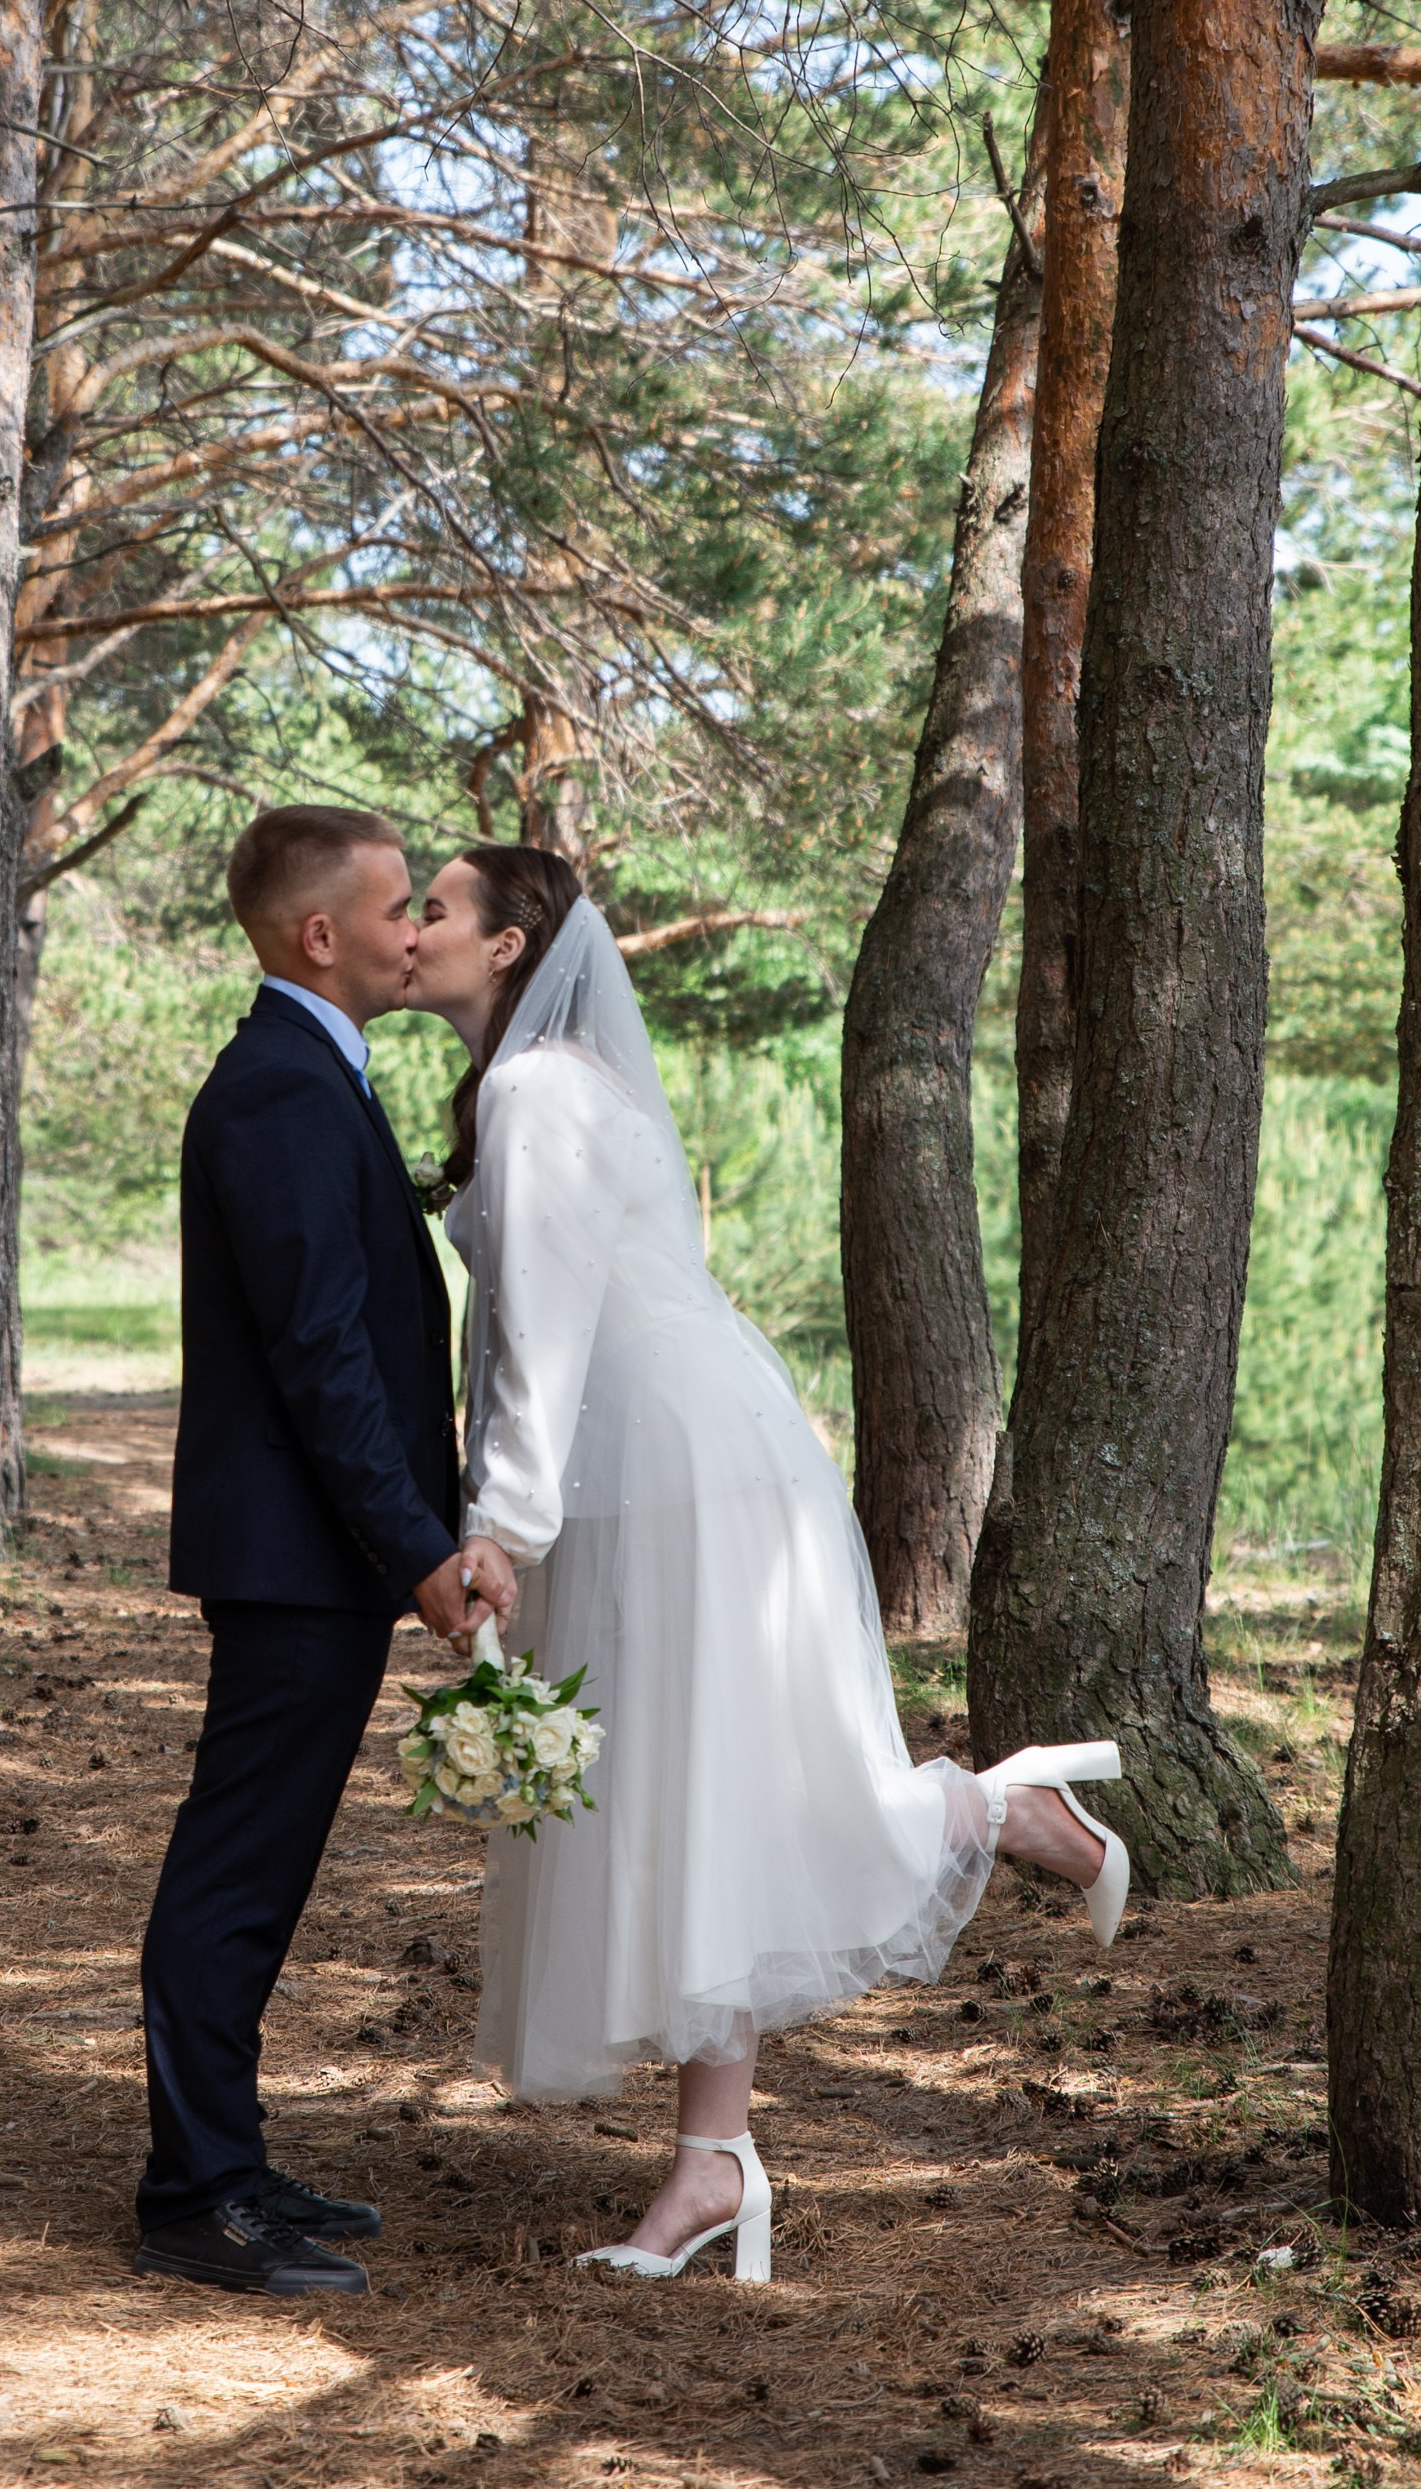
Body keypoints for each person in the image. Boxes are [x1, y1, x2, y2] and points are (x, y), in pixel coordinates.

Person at [409, 845, 1128, 2282]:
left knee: (710, 1809)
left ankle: (995, 1811)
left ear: (507, 945)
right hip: (657, 1460)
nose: (410, 925)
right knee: (693, 1822)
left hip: (667, 1474)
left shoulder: (542, 1090)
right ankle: (713, 2168)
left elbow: (543, 1336)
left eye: (435, 905)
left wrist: (502, 1526)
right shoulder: (541, 1084)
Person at [134, 804, 514, 2296]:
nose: (415, 924)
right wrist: (419, 1551)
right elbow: (322, 1359)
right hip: (298, 1554)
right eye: (396, 903)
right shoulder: (279, 1092)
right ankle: (192, 2192)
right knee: (235, 1871)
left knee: (263, 1866)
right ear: (319, 935)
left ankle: (223, 2151)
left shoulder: (312, 1076)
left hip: (313, 1553)